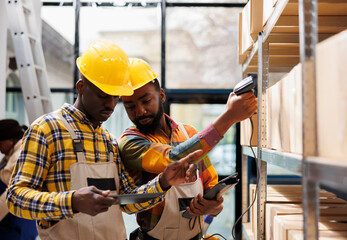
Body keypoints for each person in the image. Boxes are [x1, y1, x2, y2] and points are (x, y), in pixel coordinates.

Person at [6, 40, 202, 240]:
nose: (110, 104)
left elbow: (128, 202)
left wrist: (163, 181)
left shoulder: (108, 142)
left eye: (116, 96)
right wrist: (72, 201)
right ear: (81, 87)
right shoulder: (48, 130)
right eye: (102, 95)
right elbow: (16, 199)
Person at [118, 58, 258, 240]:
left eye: (146, 101)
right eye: (130, 106)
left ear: (161, 96)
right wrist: (229, 117)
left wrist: (214, 206)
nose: (140, 111)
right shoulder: (130, 142)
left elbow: (211, 186)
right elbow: (173, 158)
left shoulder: (189, 133)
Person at [0, 119, 38, 240]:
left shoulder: (21, 156)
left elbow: (11, 193)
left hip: (16, 223)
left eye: (0, 143)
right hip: (10, 221)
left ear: (11, 140)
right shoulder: (10, 155)